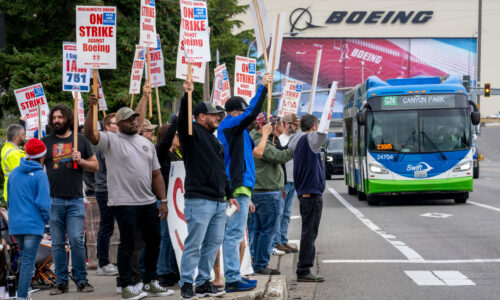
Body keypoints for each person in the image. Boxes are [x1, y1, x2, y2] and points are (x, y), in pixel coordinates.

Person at [84, 85, 174, 300]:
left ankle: (151, 281)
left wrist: (163, 200)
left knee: (154, 240)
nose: (134, 122)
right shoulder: (111, 140)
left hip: (148, 201)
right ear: (119, 124)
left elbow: (156, 175)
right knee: (129, 244)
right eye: (129, 120)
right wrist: (91, 109)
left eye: (135, 119)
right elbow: (90, 134)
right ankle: (126, 285)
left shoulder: (146, 144)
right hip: (124, 202)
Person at [177, 79, 238, 300]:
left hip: (219, 201)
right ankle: (186, 283)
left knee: (212, 245)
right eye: (214, 114)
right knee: (194, 243)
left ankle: (203, 281)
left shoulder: (214, 141)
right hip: (199, 200)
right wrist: (187, 96)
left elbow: (222, 171)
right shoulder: (190, 135)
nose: (218, 117)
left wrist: (230, 195)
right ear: (201, 117)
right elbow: (183, 120)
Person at [217, 73, 271, 293]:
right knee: (233, 234)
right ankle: (231, 277)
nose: (246, 116)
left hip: (243, 186)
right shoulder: (230, 125)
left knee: (236, 233)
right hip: (237, 184)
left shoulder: (241, 133)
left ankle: (233, 274)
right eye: (243, 111)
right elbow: (252, 113)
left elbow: (256, 153)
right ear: (235, 113)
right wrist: (263, 88)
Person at [41, 104, 98, 295]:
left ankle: (81, 280)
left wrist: (81, 160)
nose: (56, 120)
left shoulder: (80, 140)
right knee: (57, 244)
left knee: (76, 240)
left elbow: (95, 166)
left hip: (75, 200)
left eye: (60, 117)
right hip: (53, 200)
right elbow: (36, 168)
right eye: (54, 117)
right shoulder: (45, 142)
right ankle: (62, 281)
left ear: (68, 119)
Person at [7, 138, 51, 300]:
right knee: (28, 262)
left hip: (15, 225)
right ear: (42, 157)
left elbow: (9, 199)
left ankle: (21, 292)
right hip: (32, 225)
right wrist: (48, 222)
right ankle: (22, 296)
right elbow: (44, 203)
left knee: (25, 259)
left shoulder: (14, 173)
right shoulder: (40, 175)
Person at [249, 113, 292, 275]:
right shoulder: (260, 140)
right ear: (264, 126)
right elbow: (278, 156)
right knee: (268, 230)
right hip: (267, 191)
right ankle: (260, 263)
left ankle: (257, 260)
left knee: (259, 229)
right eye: (274, 124)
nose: (277, 126)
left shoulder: (256, 137)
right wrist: (293, 148)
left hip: (261, 191)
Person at [288, 114, 327, 282]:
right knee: (309, 233)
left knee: (308, 232)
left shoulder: (297, 140)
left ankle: (304, 268)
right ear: (313, 127)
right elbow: (322, 135)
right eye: (316, 126)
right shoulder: (309, 140)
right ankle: (303, 269)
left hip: (306, 192)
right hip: (310, 193)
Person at [155, 118, 181, 287]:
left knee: (172, 237)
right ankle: (162, 271)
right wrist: (176, 122)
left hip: (174, 199)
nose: (178, 137)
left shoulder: (175, 153)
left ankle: (171, 268)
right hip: (162, 199)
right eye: (176, 135)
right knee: (164, 237)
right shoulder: (161, 152)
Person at [94, 113, 119, 277]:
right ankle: (102, 263)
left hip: (115, 188)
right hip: (106, 189)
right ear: (107, 126)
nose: (118, 126)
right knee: (107, 226)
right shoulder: (106, 143)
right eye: (115, 123)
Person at [275, 113, 300, 253]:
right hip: (283, 181)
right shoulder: (280, 140)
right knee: (279, 212)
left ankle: (283, 239)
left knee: (286, 213)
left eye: (297, 125)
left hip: (293, 180)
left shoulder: (295, 139)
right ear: (285, 124)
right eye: (294, 124)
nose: (296, 127)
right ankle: (277, 241)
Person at [1, 124, 26, 202]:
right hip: (17, 194)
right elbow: (24, 174)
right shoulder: (13, 154)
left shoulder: (9, 148)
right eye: (23, 134)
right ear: (16, 137)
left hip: (13, 192)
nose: (25, 137)